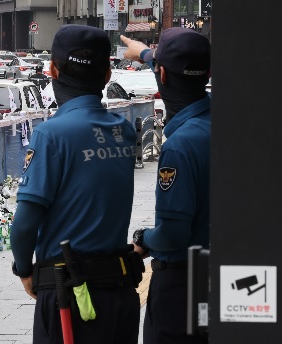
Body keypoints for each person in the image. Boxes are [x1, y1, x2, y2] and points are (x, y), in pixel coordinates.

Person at [10, 24, 142, 344]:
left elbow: (25, 223)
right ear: (108, 74)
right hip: (121, 296)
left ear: (53, 69)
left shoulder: (51, 135)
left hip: (69, 299)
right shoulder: (122, 131)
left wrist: (24, 269)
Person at [121, 27, 211, 344]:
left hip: (180, 290)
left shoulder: (180, 146)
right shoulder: (222, 123)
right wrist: (144, 53)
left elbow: (173, 234)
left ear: (162, 74)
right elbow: (169, 72)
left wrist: (143, 238)